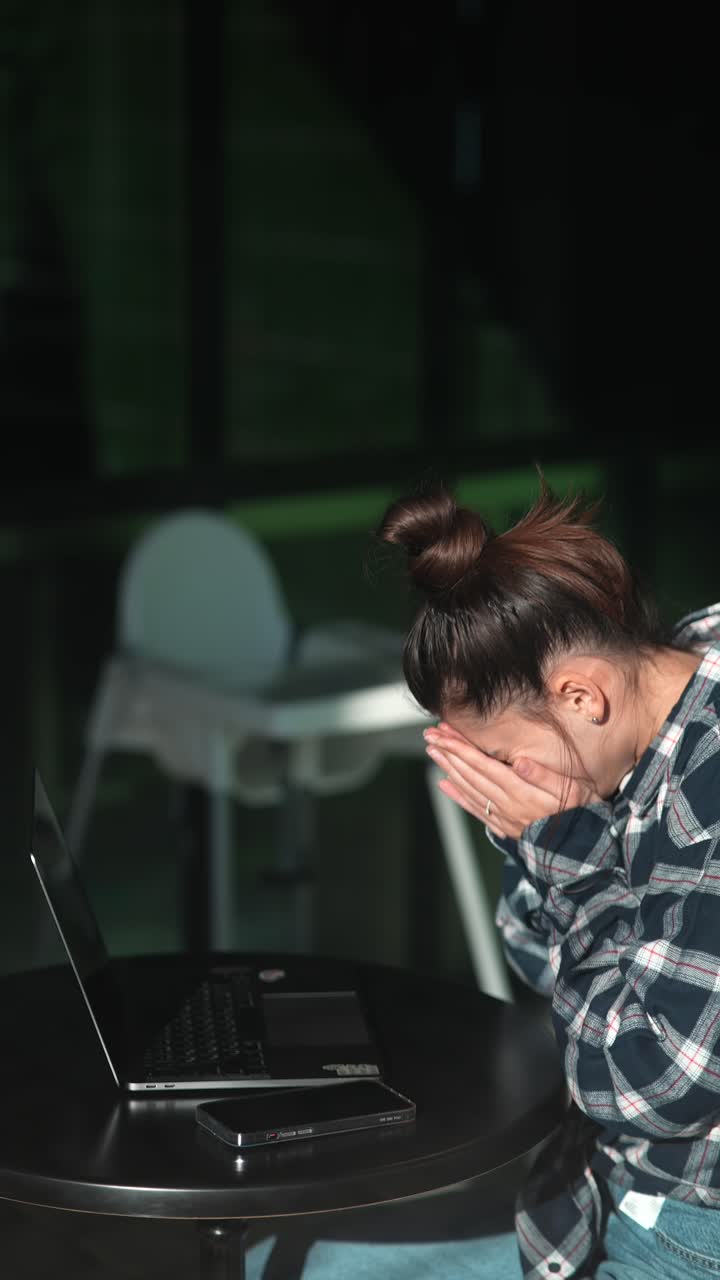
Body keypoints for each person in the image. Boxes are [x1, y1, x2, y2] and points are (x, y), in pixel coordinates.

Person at [249, 477, 720, 1279]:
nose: (498, 787)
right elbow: (536, 957)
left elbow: (656, 1084)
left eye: (498, 759)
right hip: (594, 1186)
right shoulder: (665, 683)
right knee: (285, 1262)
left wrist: (566, 858)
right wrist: (547, 847)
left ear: (581, 694)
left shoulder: (703, 805)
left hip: (685, 1226)